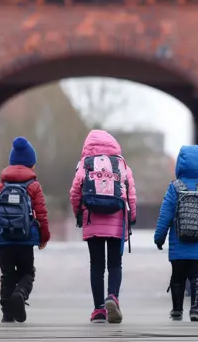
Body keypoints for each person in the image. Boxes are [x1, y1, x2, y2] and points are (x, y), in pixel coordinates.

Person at [0, 137, 50, 323]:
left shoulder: (0, 186)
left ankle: (7, 314)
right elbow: (42, 215)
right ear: (31, 164)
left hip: (5, 239)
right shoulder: (34, 186)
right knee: (27, 272)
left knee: (7, 276)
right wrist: (43, 238)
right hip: (25, 240)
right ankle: (21, 294)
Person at [70, 129, 137, 324]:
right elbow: (131, 192)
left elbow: (75, 191)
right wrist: (132, 216)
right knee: (115, 264)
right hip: (117, 220)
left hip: (92, 218)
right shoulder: (121, 163)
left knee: (97, 265)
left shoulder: (85, 163)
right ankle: (113, 297)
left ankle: (99, 309)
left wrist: (78, 213)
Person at [154, 145, 198, 322]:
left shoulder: (175, 187)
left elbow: (165, 215)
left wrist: (159, 237)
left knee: (178, 278)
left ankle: (177, 310)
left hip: (179, 247)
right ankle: (196, 308)